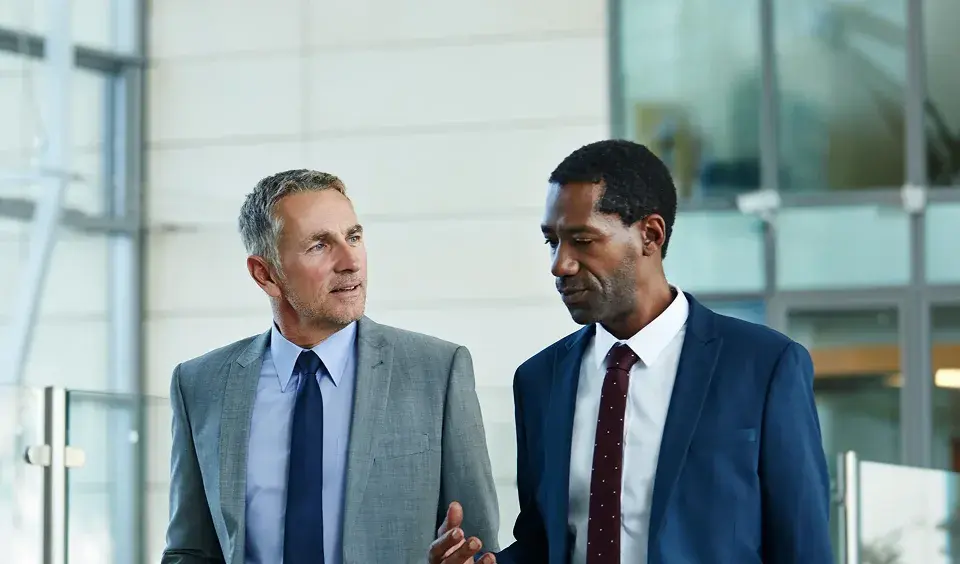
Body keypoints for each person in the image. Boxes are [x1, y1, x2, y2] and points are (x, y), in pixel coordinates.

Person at [429, 140, 833, 564]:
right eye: (552, 242)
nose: (560, 264)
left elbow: (803, 547)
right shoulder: (539, 380)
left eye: (582, 240)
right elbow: (543, 542)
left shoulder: (765, 367)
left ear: (650, 235)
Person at [163, 169, 499, 564]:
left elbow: (478, 544)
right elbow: (190, 550)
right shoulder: (200, 385)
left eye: (353, 237)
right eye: (319, 245)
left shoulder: (438, 371)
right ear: (265, 274)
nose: (351, 260)